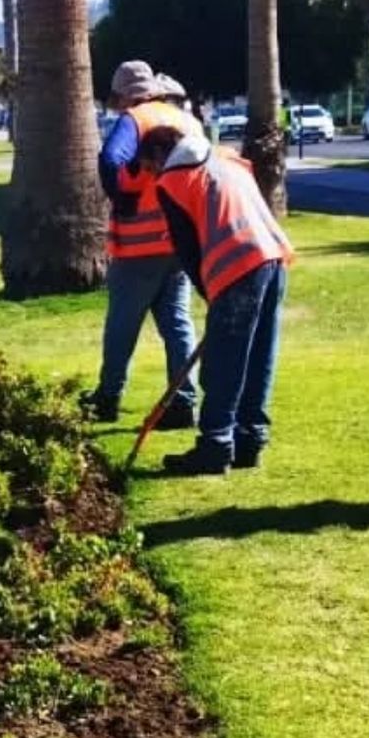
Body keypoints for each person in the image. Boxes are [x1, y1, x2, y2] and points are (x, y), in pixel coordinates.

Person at [138, 125, 294, 476]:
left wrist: (213, 296)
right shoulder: (226, 158)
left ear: (161, 155)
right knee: (258, 354)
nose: (151, 177)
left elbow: (187, 250)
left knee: (224, 361)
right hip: (272, 255)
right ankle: (249, 439)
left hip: (236, 264)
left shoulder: (174, 180)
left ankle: (215, 445)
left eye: (149, 167)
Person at [80, 60, 203, 425]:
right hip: (179, 243)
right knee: (177, 322)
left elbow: (110, 159)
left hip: (138, 246)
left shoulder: (135, 120)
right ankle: (183, 401)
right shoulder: (187, 120)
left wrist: (122, 196)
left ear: (123, 96)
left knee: (122, 324)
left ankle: (107, 397)